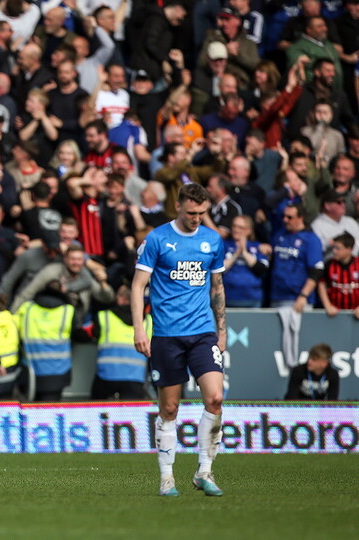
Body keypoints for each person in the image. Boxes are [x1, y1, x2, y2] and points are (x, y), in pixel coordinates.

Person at [131, 183, 227, 498]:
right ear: (178, 207)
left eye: (201, 213)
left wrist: (222, 329)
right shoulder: (157, 239)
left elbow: (217, 287)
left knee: (214, 398)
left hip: (202, 332)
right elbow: (138, 285)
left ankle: (204, 471)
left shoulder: (213, 240)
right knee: (169, 407)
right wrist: (139, 329)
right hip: (167, 335)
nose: (196, 218)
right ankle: (167, 478)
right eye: (191, 213)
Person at [317, 233, 359, 318]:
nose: (334, 251)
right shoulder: (329, 265)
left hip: (356, 314)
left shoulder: (357, 264)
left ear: (349, 249)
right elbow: (321, 284)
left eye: (338, 248)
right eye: (334, 248)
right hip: (335, 314)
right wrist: (327, 305)